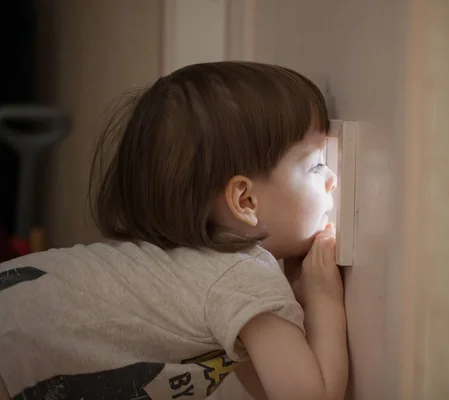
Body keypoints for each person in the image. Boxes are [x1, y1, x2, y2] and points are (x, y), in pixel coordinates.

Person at [0, 61, 348, 400]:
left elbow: (266, 380)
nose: (333, 178)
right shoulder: (244, 272)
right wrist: (323, 298)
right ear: (245, 200)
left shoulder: (195, 267)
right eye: (316, 164)